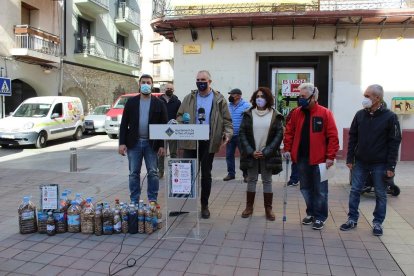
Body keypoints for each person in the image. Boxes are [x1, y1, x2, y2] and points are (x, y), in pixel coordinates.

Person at [340, 84, 401, 236]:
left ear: (377, 98)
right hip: (360, 162)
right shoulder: (360, 115)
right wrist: (349, 158)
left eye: (367, 96)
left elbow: (394, 142)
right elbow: (353, 136)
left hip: (380, 164)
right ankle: (352, 219)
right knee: (355, 191)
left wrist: (391, 167)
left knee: (380, 193)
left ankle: (378, 223)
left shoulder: (390, 117)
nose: (365, 99)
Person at [176, 70, 233, 219]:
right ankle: (183, 205)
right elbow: (179, 116)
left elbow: (227, 120)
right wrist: (183, 121)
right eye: (198, 79)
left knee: (206, 175)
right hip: (191, 141)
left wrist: (228, 133)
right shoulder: (189, 98)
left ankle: (204, 205)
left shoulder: (219, 99)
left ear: (210, 82)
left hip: (209, 140)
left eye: (203, 79)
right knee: (186, 174)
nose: (200, 82)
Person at [283, 83, 339, 230]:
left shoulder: (325, 113)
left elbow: (333, 136)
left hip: (320, 160)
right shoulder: (296, 113)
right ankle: (311, 213)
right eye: (299, 96)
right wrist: (287, 149)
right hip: (301, 158)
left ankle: (321, 217)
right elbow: (289, 132)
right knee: (305, 188)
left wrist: (330, 156)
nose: (300, 99)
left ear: (313, 97)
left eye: (303, 96)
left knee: (320, 190)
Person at [118, 74, 168, 203]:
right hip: (134, 144)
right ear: (139, 85)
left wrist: (162, 145)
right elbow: (124, 124)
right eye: (143, 82)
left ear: (152, 85)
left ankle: (152, 200)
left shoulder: (159, 103)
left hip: (152, 144)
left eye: (148, 82)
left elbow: (164, 126)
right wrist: (122, 143)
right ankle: (134, 200)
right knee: (134, 173)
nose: (146, 84)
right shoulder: (131, 102)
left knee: (153, 172)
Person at [239, 87, 284, 221]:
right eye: (257, 96)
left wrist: (267, 151)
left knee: (267, 180)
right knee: (251, 179)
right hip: (252, 153)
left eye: (263, 96)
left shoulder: (275, 115)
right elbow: (242, 133)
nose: (260, 99)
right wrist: (251, 151)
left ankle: (268, 209)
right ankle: (249, 207)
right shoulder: (248, 113)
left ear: (268, 99)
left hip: (267, 154)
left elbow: (279, 134)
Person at [223, 88, 251, 182]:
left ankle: (246, 175)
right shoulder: (228, 106)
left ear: (239, 96)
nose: (230, 96)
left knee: (244, 156)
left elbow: (250, 120)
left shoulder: (246, 106)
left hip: (241, 136)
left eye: (232, 94)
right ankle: (231, 174)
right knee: (229, 155)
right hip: (230, 135)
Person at [158, 83, 181, 178]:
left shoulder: (177, 101)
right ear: (164, 89)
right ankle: (160, 172)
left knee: (173, 152)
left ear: (173, 90)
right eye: (168, 88)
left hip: (172, 130)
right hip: (161, 129)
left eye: (171, 89)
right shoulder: (158, 100)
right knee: (161, 152)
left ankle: (174, 172)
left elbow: (179, 114)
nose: (169, 90)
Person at [285, 106, 300, 186]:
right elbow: (288, 125)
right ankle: (294, 179)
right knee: (296, 161)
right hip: (296, 140)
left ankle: (295, 179)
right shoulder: (295, 111)